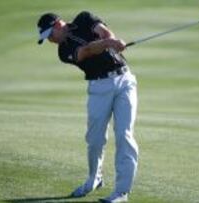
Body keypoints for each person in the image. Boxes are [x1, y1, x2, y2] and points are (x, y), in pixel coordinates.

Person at [36, 11, 139, 203]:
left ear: (58, 24)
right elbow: (87, 51)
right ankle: (94, 179)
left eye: (50, 34)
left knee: (124, 135)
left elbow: (105, 33)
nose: (50, 40)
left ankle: (121, 193)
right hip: (99, 88)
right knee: (95, 140)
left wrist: (114, 41)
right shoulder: (63, 52)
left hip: (124, 80)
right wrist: (109, 44)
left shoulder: (84, 19)